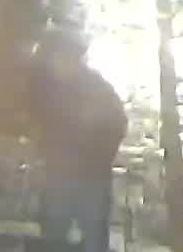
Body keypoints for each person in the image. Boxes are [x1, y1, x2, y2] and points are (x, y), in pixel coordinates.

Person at [30, 33, 126, 251]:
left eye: (63, 59)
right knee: (53, 232)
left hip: (92, 175)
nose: (57, 65)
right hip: (58, 174)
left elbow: (118, 124)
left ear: (75, 59)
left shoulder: (98, 88)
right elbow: (37, 124)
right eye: (53, 59)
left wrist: (99, 158)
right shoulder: (46, 88)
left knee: (93, 234)